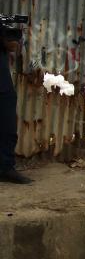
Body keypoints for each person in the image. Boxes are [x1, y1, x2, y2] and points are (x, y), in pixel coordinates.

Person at [0, 21, 31, 184]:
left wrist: (8, 35)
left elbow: (12, 46)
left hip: (3, 86)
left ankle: (6, 169)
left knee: (8, 130)